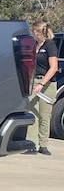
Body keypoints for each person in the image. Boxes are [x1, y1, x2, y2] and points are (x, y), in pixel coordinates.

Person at [26, 22, 59, 155]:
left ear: (37, 32)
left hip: (47, 84)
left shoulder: (50, 45)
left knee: (44, 114)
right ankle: (31, 143)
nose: (31, 34)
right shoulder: (34, 45)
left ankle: (43, 144)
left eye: (33, 32)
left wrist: (42, 84)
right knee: (32, 113)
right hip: (33, 82)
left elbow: (54, 68)